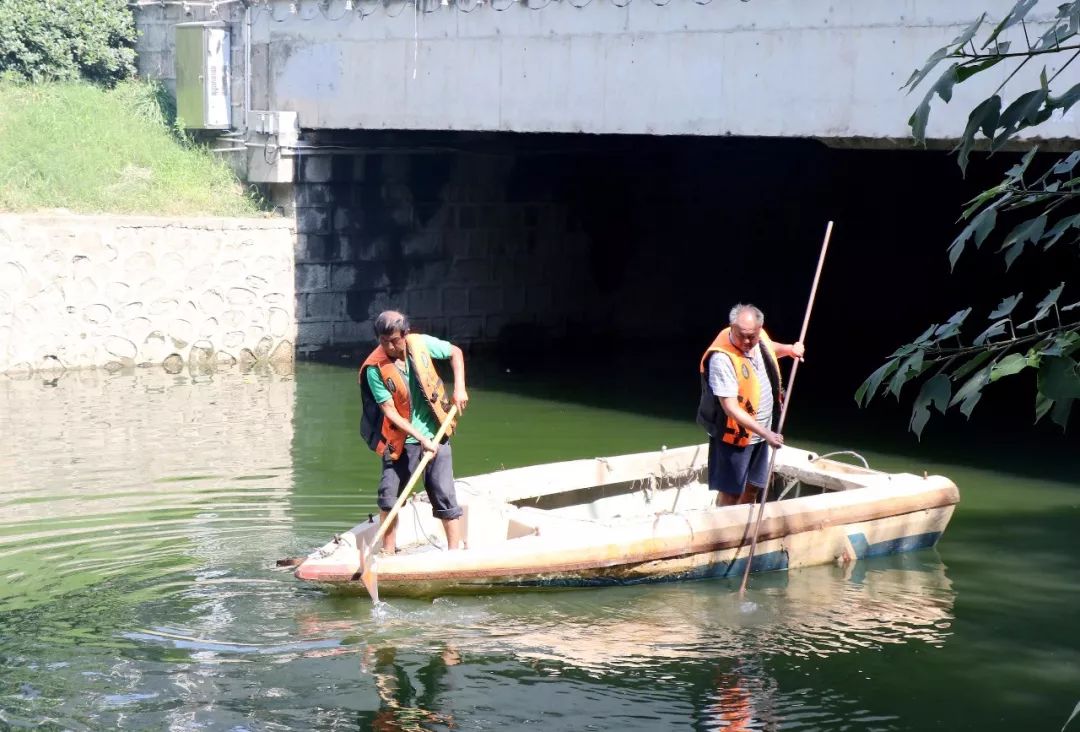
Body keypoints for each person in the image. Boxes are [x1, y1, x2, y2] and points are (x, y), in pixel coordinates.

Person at [358, 310, 469, 552]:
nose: (389, 346)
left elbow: (455, 353)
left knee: (444, 494)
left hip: (436, 432)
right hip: (400, 440)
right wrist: (419, 439)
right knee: (389, 498)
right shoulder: (374, 368)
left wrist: (459, 388)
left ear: (405, 334)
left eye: (394, 340)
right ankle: (388, 553)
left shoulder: (420, 343)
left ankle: (454, 552)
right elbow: (390, 412)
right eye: (383, 340)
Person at [696, 304, 805, 507]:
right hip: (735, 436)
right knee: (731, 493)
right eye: (742, 336)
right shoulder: (722, 358)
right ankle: (725, 533)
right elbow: (730, 407)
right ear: (732, 328)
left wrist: (790, 350)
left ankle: (744, 530)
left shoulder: (758, 337)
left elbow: (768, 347)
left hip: (761, 433)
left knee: (753, 487)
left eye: (752, 336)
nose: (747, 342)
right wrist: (766, 433)